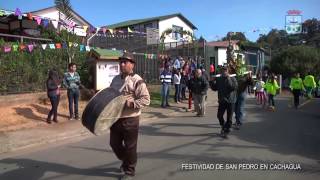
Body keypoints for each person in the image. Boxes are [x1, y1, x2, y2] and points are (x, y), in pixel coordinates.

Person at [109, 52, 150, 180]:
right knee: (114, 144)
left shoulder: (137, 80)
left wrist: (129, 103)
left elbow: (146, 100)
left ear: (132, 65)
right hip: (116, 118)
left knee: (130, 146)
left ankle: (129, 171)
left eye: (125, 62)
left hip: (131, 119)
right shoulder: (116, 79)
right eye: (121, 62)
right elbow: (111, 94)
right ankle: (126, 161)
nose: (122, 64)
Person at [210, 66, 238, 137]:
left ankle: (226, 130)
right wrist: (212, 81)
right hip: (222, 100)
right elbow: (214, 88)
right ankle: (223, 125)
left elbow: (233, 87)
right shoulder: (219, 79)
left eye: (225, 71)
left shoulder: (232, 78)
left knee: (229, 118)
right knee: (219, 115)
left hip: (231, 101)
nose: (224, 72)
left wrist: (228, 78)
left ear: (228, 71)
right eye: (222, 71)